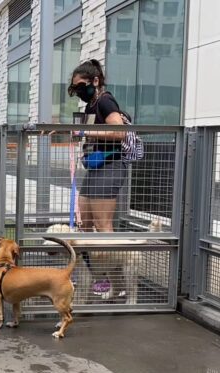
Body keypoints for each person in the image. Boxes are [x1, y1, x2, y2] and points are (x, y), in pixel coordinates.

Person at [67, 59, 127, 295]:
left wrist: (86, 131)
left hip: (110, 166)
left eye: (82, 86)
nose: (80, 91)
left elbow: (119, 131)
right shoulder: (91, 105)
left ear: (95, 81)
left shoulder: (105, 100)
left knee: (103, 226)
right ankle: (97, 277)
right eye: (76, 88)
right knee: (85, 225)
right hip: (94, 167)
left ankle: (115, 282)